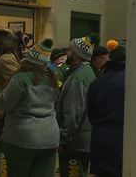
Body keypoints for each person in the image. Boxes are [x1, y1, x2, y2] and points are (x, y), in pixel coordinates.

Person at [0, 38, 60, 177]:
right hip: (50, 138)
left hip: (22, 138)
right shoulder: (52, 80)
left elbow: (6, 103)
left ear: (29, 59)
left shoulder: (21, 79)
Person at [55, 35, 97, 177]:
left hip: (75, 143)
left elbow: (73, 113)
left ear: (77, 55)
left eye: (70, 50)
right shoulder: (88, 72)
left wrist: (63, 139)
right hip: (84, 140)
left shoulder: (78, 78)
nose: (67, 52)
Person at [88, 39, 126, 177]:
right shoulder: (132, 82)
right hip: (124, 139)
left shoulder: (97, 82)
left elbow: (90, 113)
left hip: (100, 139)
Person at [0, 27, 20, 177]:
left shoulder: (6, 59)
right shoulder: (4, 58)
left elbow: (17, 83)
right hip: (1, 115)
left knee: (1, 156)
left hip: (2, 116)